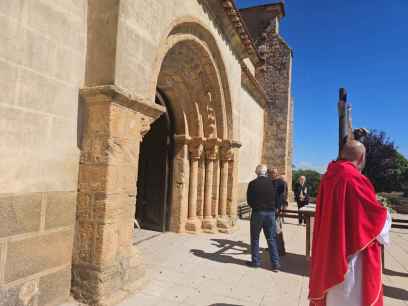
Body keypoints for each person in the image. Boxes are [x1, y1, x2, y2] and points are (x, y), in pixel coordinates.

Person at [309, 140, 392, 306]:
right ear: (361, 158)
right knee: (351, 296)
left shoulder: (328, 177)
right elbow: (373, 220)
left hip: (329, 249)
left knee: (333, 296)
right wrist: (386, 213)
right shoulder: (355, 178)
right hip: (351, 253)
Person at [246, 164, 280, 271]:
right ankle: (275, 264)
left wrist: (256, 207)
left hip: (258, 213)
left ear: (257, 172)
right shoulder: (271, 183)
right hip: (270, 213)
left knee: (255, 238)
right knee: (271, 239)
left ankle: (256, 262)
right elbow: (275, 198)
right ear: (265, 172)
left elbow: (249, 200)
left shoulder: (252, 183)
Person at [269, 168, 288, 255]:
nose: (271, 175)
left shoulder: (280, 183)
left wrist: (279, 207)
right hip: (271, 209)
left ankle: (281, 250)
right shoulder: (270, 182)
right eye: (271, 173)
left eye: (273, 173)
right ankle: (273, 247)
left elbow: (280, 197)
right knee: (272, 230)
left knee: (277, 229)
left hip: (276, 209)